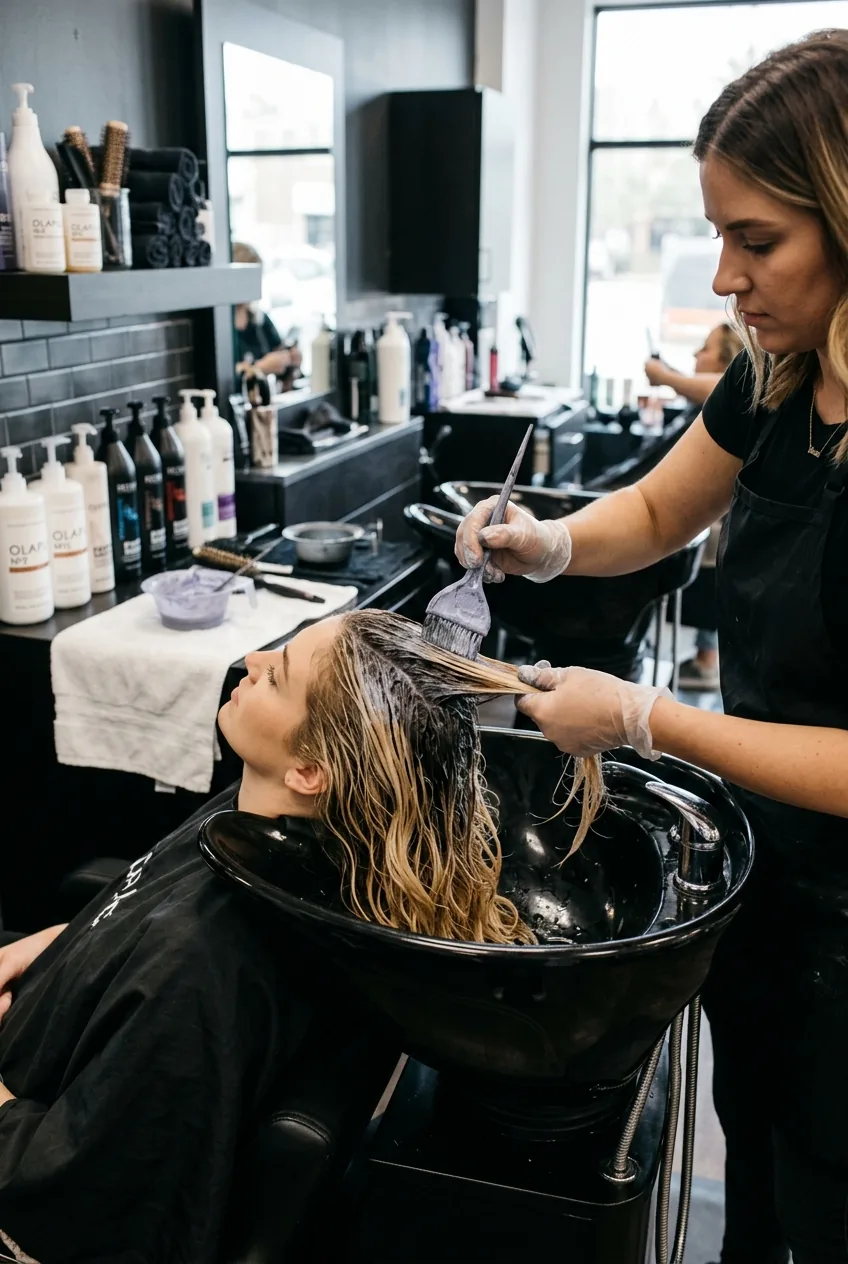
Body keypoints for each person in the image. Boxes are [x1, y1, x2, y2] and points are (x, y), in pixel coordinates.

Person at [455, 30, 848, 1264]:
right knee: (761, 1164)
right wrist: (547, 544)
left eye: (756, 240)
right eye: (718, 236)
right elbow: (658, 511)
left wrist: (643, 719)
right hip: (767, 870)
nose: (725, 278)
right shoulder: (775, 375)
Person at [0, 609, 581, 1262]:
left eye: (275, 676)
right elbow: (145, 901)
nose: (251, 662)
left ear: (309, 770)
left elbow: (78, 1209)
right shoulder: (286, 834)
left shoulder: (199, 966)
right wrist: (50, 943)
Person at [645, 322, 744, 690]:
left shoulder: (740, 389)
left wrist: (664, 376)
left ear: (727, 360)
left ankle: (706, 660)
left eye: (704, 348)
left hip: (710, 538)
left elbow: (719, 386)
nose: (695, 354)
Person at [232, 241, 302, 385]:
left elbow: (278, 354)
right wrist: (259, 369)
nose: (253, 285)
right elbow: (221, 379)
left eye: (257, 278)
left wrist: (290, 362)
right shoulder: (219, 328)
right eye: (247, 279)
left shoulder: (260, 320)